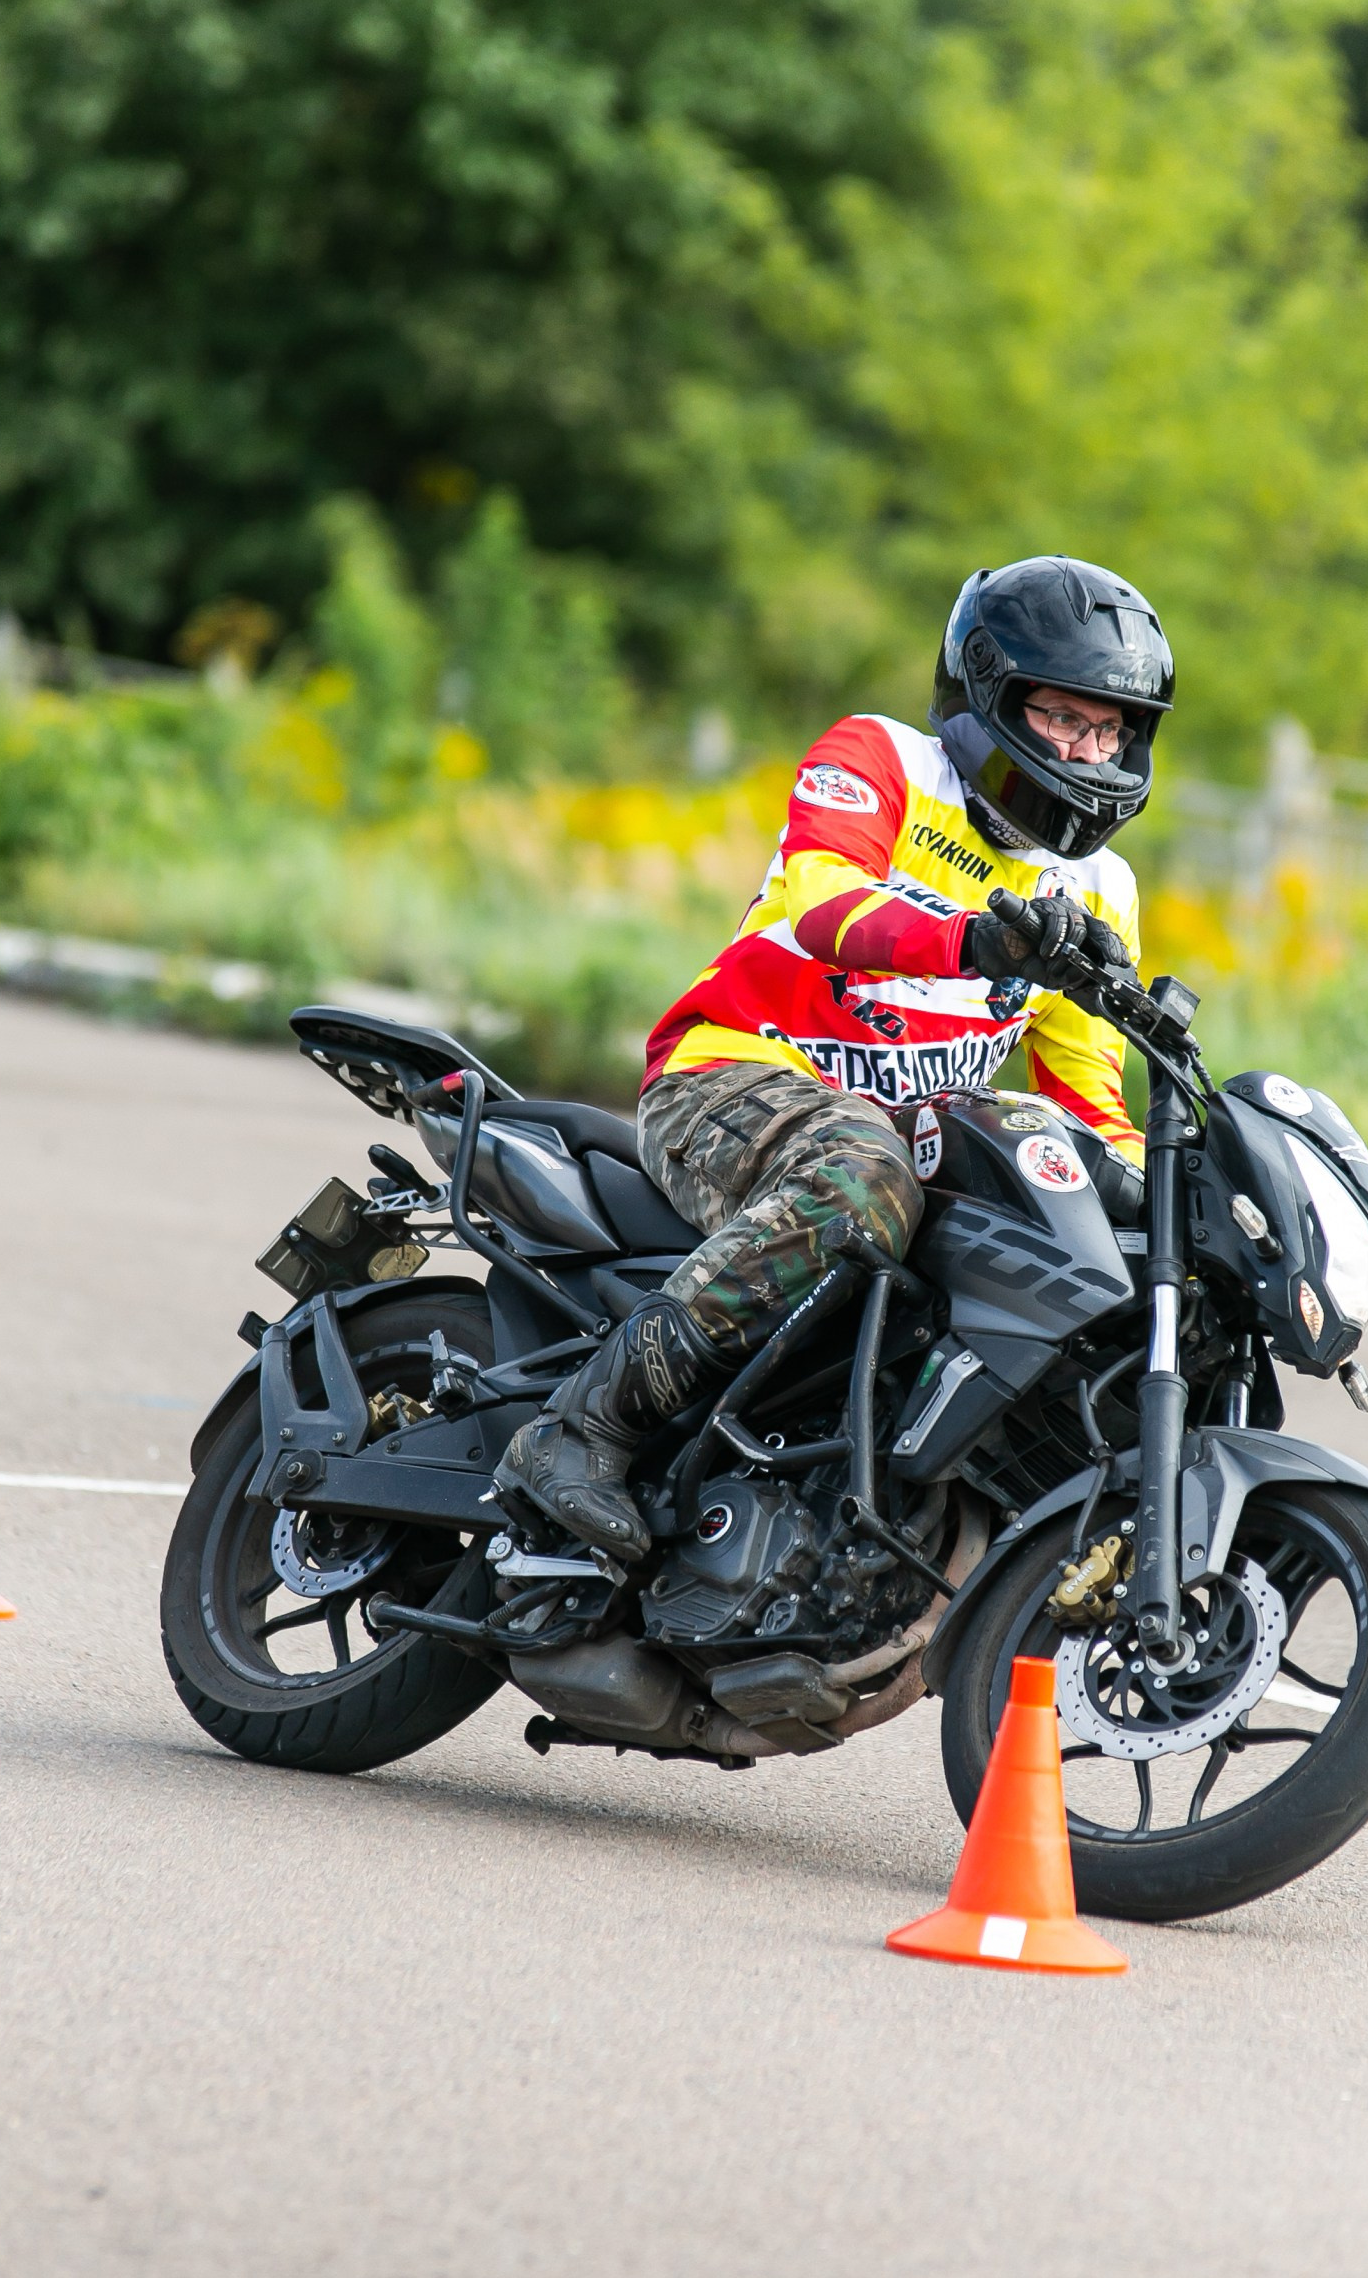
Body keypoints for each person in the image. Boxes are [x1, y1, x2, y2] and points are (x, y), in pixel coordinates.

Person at [499, 554, 1175, 1560]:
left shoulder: (1101, 887)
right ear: (989, 697)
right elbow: (822, 903)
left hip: (904, 1139)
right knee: (859, 1183)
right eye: (1061, 718)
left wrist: (1153, 1203)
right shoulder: (882, 760)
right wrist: (974, 943)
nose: (1086, 749)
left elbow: (1084, 1092)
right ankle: (577, 1432)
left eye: (1107, 729)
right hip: (732, 1077)